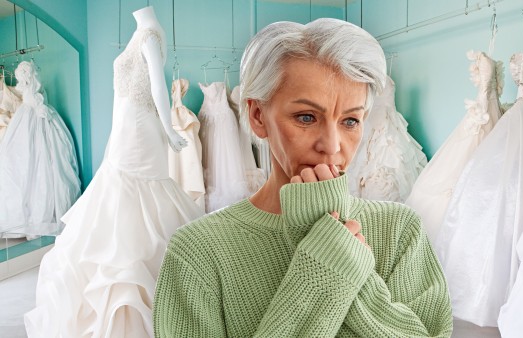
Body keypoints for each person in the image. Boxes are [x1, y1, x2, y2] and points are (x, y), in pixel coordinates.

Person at [153, 18, 452, 337]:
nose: (333, 145)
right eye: (307, 117)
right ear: (257, 117)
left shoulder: (400, 230)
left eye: (350, 121)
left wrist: (341, 257)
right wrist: (325, 269)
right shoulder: (198, 251)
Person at [24, 6, 203, 338]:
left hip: (140, 129)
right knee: (118, 194)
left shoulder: (150, 33)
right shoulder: (140, 31)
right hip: (125, 129)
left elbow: (157, 87)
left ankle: (136, 278)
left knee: (136, 192)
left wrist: (169, 128)